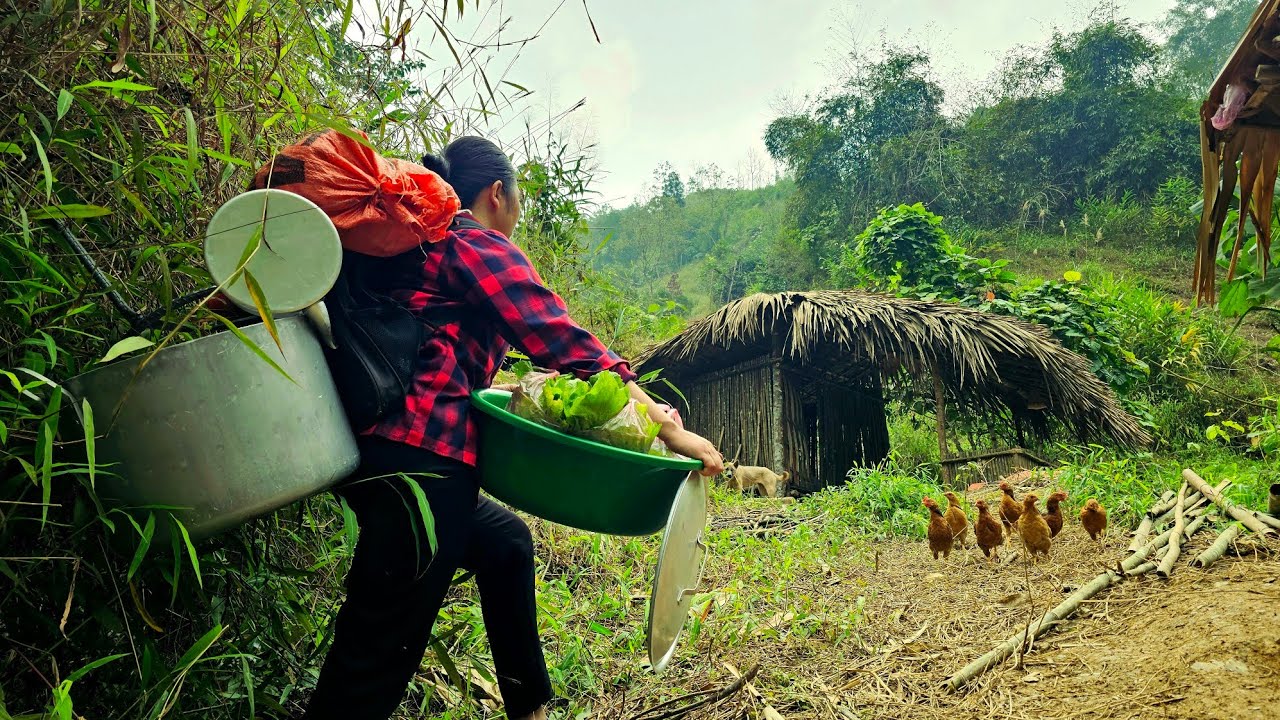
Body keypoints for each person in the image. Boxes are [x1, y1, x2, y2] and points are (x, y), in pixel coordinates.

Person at [303, 136, 724, 720]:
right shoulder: (471, 242)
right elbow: (561, 338)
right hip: (425, 460)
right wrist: (666, 428)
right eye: (519, 199)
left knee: (505, 545)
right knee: (376, 653)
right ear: (497, 194)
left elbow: (450, 353)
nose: (518, 213)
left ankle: (530, 711)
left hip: (377, 452)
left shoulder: (416, 247)